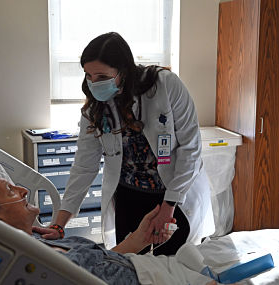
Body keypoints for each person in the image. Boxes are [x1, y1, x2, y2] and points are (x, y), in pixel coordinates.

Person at [37, 32, 214, 255]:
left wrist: (169, 206)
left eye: (101, 77)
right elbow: (84, 166)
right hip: (129, 196)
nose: (93, 83)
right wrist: (58, 224)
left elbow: (190, 148)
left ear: (124, 70)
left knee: (172, 265)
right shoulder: (95, 108)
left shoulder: (165, 85)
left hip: (173, 193)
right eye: (88, 76)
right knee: (130, 264)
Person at [0, 172, 218, 285]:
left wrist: (139, 239)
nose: (23, 190)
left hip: (146, 268)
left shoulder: (38, 242)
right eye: (10, 190)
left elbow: (99, 264)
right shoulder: (26, 264)